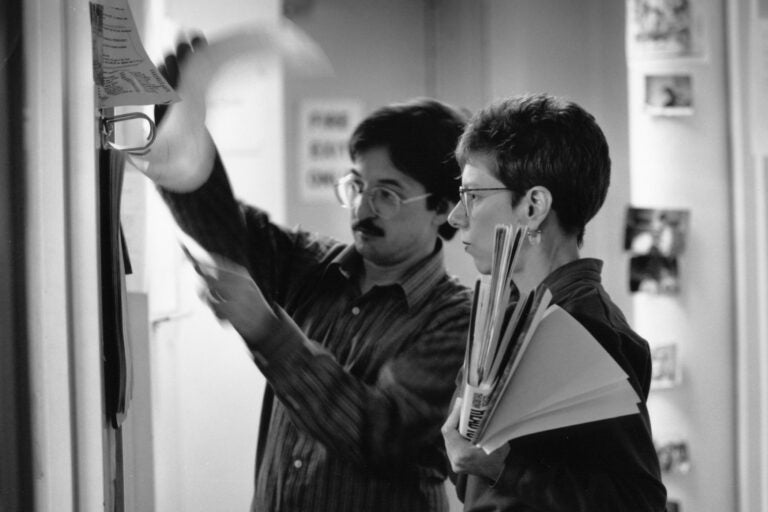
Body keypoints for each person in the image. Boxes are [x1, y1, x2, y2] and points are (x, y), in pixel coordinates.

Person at [136, 36, 473, 512]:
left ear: (443, 208)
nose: (361, 208)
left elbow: (379, 436)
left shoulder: (456, 318)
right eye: (356, 185)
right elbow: (222, 227)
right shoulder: (312, 266)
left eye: (387, 194)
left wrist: (270, 334)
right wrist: (177, 119)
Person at [440, 93, 667, 511]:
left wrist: (501, 470)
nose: (456, 216)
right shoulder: (510, 316)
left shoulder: (585, 329)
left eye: (472, 196)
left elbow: (638, 502)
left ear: (533, 206)